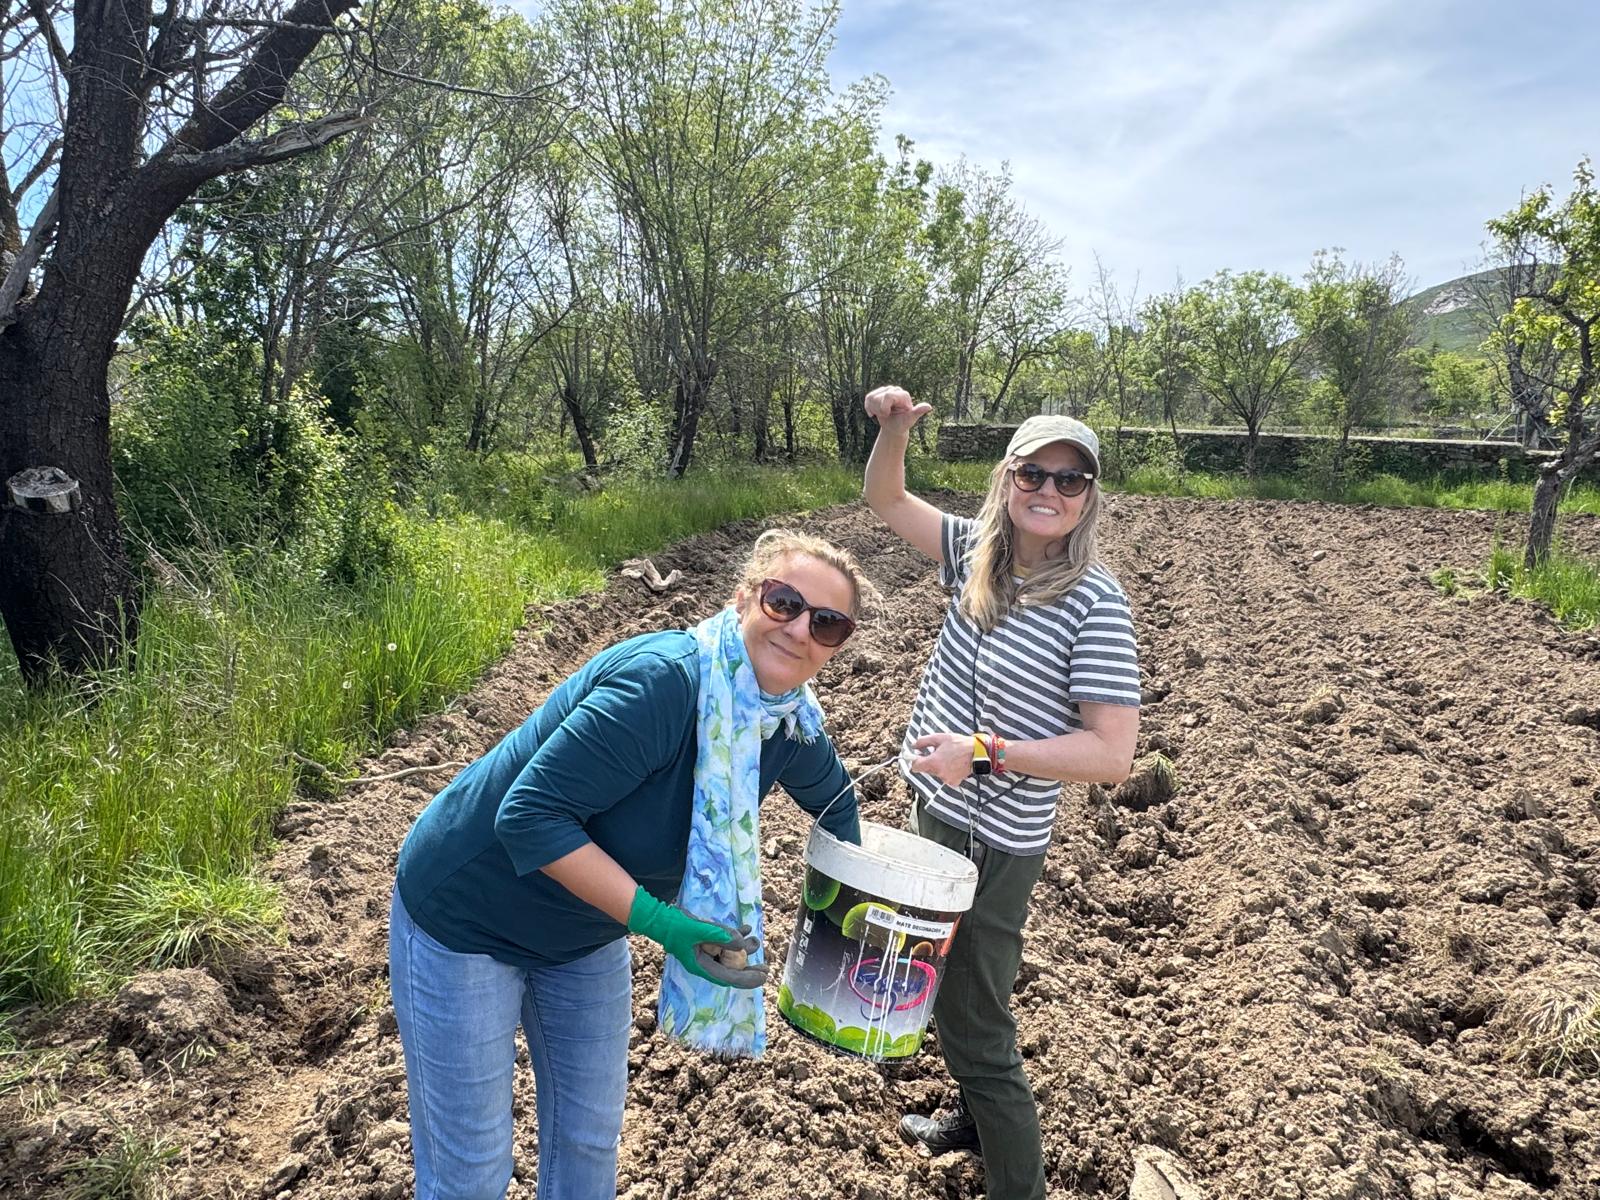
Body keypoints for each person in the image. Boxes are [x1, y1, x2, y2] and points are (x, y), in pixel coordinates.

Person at [389, 529, 872, 1200]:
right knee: (469, 1172)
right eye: (783, 601)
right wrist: (664, 924)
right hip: (468, 916)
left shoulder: (787, 723)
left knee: (586, 1142)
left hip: (581, 933)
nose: (798, 629)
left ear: (837, 644)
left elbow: (839, 813)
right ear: (743, 599)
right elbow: (528, 816)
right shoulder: (666, 685)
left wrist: (857, 940)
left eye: (826, 622)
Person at [862, 387, 1141, 1200]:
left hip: (993, 839)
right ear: (1007, 477)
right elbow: (884, 498)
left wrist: (984, 754)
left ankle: (1017, 1184)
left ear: (1089, 497)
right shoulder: (976, 552)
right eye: (1035, 473)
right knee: (943, 986)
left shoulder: (1094, 602)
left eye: (1070, 480)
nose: (1049, 492)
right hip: (937, 812)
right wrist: (895, 430)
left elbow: (1111, 754)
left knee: (975, 1022)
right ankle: (971, 1121)